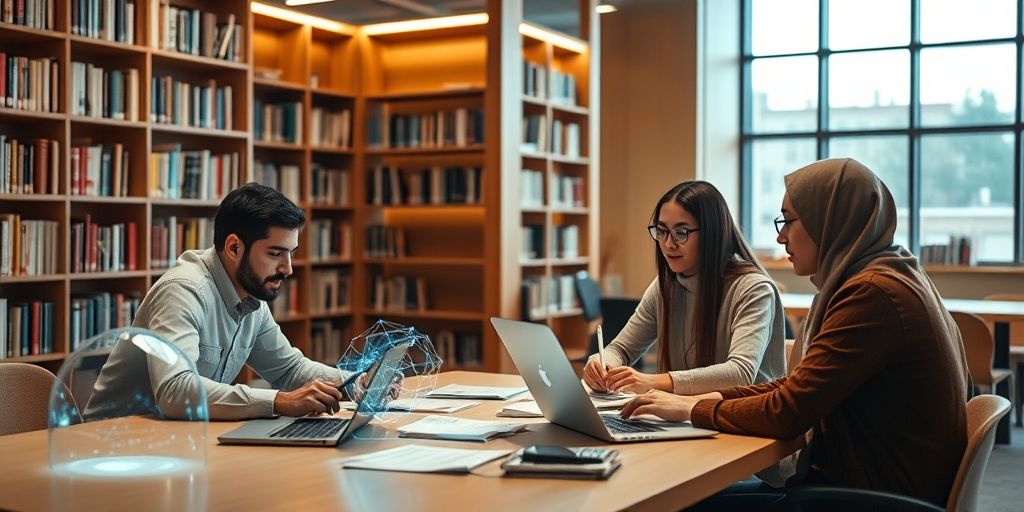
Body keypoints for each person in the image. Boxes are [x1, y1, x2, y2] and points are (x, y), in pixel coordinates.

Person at [621, 158, 971, 508]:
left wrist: (691, 409)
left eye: (788, 220)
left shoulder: (872, 294)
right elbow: (796, 387)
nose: (780, 235)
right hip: (868, 485)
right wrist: (696, 402)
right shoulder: (888, 274)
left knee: (676, 504)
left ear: (828, 220)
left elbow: (787, 412)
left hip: (870, 498)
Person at [85, 183, 373, 421]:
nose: (288, 269)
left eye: (291, 253)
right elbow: (175, 392)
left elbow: (289, 370)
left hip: (175, 440)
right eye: (275, 254)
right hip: (114, 446)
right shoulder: (183, 291)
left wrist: (355, 383)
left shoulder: (251, 297)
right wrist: (279, 402)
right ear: (234, 247)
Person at [582, 180, 786, 396]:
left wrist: (652, 381)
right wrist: (601, 363)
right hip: (684, 418)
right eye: (661, 231)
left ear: (712, 233)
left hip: (744, 422)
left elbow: (740, 372)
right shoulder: (665, 285)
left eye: (681, 232)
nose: (668, 244)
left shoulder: (753, 289)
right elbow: (621, 349)